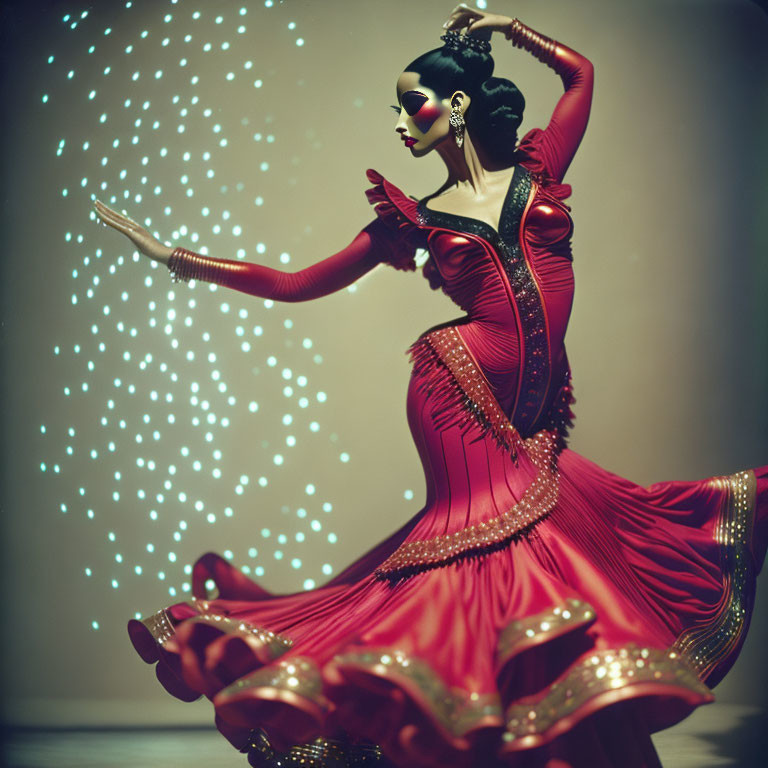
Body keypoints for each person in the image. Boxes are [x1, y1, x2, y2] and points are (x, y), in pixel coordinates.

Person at [93, 5, 767, 767]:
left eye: (410, 103)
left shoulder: (538, 170)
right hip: (457, 390)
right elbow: (294, 283)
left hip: (536, 406)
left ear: (455, 107)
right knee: (482, 555)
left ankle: (533, 731)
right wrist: (178, 258)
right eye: (397, 108)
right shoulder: (413, 222)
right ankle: (445, 721)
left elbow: (581, 75)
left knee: (548, 548)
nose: (400, 122)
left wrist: (509, 27)